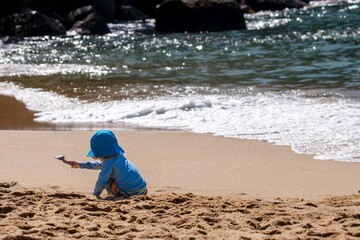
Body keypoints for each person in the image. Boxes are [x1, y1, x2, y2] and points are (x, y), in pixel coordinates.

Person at [62, 130, 147, 198]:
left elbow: (102, 179)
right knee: (113, 176)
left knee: (108, 182)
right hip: (143, 190)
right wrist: (80, 164)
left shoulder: (109, 162)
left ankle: (117, 193)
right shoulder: (119, 158)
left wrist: (95, 194)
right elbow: (100, 165)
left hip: (129, 192)